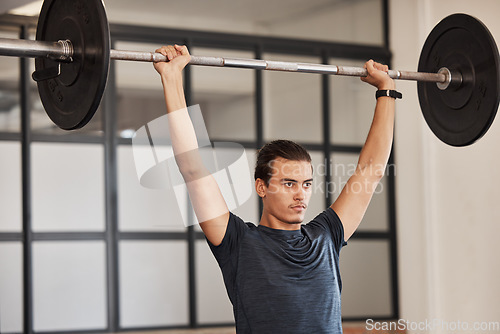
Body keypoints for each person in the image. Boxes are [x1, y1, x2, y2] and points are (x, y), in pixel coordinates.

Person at [154, 44, 396, 334]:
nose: (301, 194)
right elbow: (192, 167)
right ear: (261, 187)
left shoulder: (326, 236)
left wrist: (386, 92)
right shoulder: (237, 242)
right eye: (288, 183)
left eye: (306, 184)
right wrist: (172, 78)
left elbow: (371, 170)